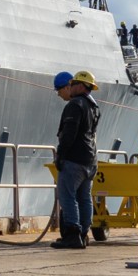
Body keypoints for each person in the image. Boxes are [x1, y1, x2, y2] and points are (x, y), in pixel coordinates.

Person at [49, 69, 101, 249]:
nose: (69, 88)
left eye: (72, 85)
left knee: (67, 196)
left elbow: (69, 134)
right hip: (90, 160)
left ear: (79, 86)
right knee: (85, 198)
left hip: (74, 159)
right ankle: (83, 234)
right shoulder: (94, 106)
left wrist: (61, 155)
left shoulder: (75, 105)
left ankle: (72, 234)